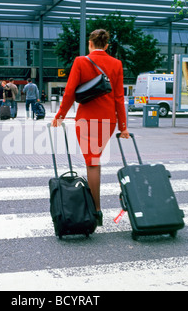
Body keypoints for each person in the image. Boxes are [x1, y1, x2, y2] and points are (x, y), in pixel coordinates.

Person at [51, 29, 130, 226]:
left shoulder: (80, 62)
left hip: (86, 120)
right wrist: (123, 127)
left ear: (90, 44)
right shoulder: (116, 64)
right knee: (94, 161)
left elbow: (69, 92)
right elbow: (119, 98)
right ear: (106, 45)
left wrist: (60, 116)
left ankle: (96, 211)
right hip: (108, 120)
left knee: (92, 162)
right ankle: (95, 208)